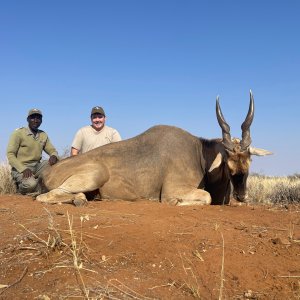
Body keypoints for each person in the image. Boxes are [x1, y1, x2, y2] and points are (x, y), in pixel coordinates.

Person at [7, 108, 59, 195]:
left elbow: (52, 150)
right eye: (32, 118)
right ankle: (20, 190)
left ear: (41, 120)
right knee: (31, 185)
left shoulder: (43, 134)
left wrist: (53, 155)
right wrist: (23, 169)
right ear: (27, 119)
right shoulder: (18, 133)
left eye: (38, 118)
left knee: (58, 160)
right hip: (21, 168)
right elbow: (10, 154)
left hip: (37, 166)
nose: (35, 121)